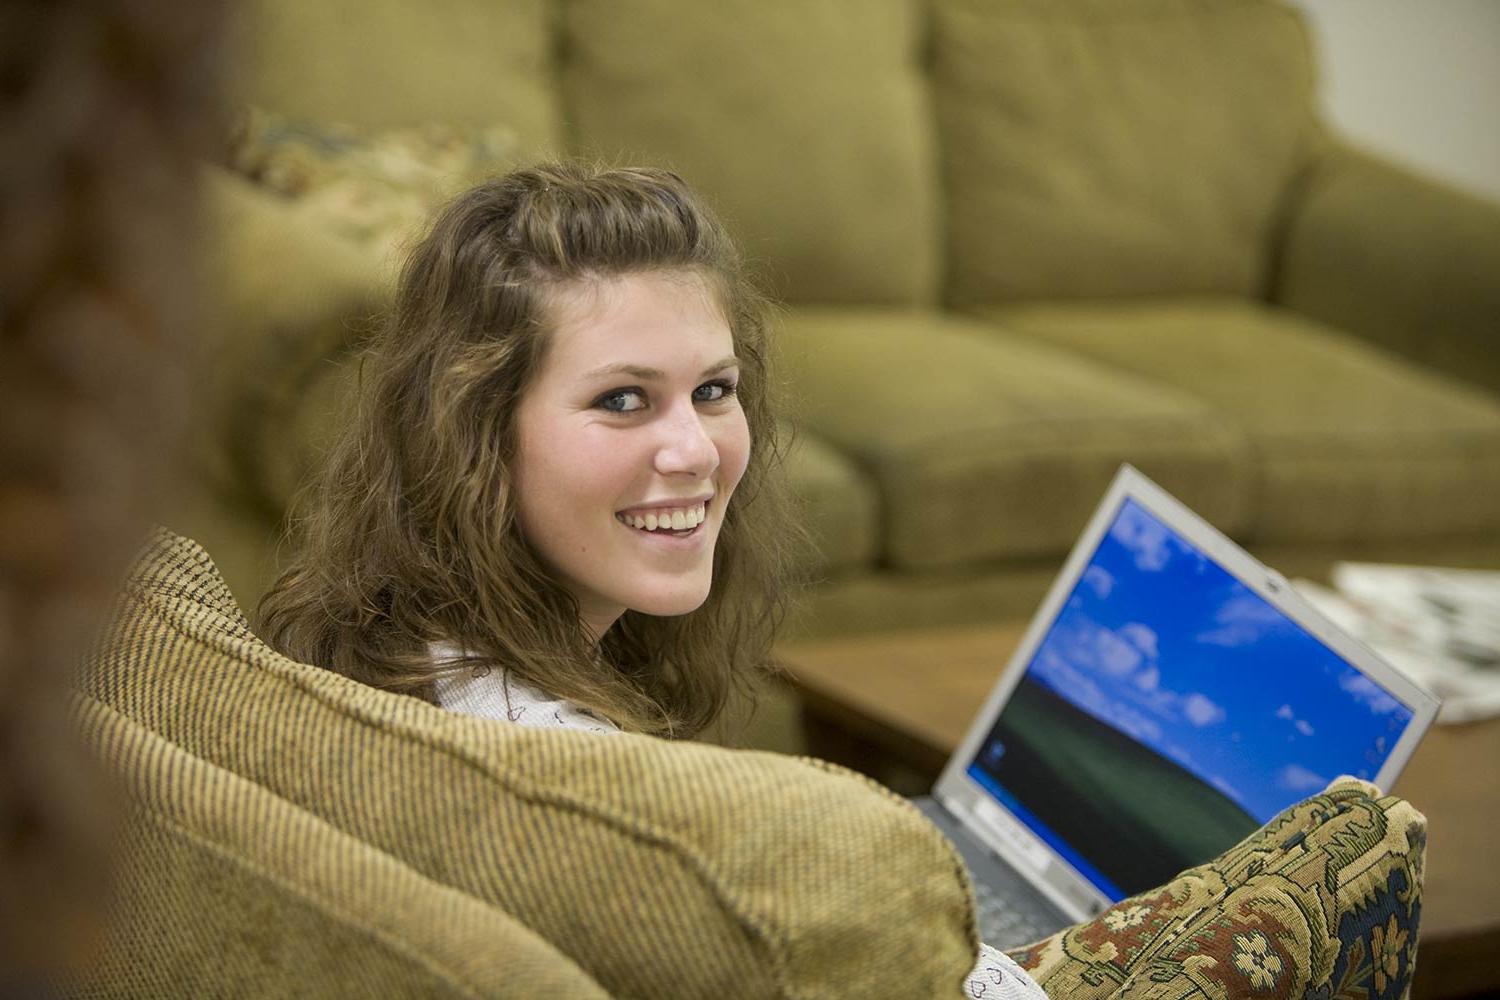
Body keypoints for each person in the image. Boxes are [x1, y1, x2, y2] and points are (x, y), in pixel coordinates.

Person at [258, 161, 1043, 998]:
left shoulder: (403, 646)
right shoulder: (590, 802)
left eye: (713, 390)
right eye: (623, 401)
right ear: (470, 433)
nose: (697, 451)